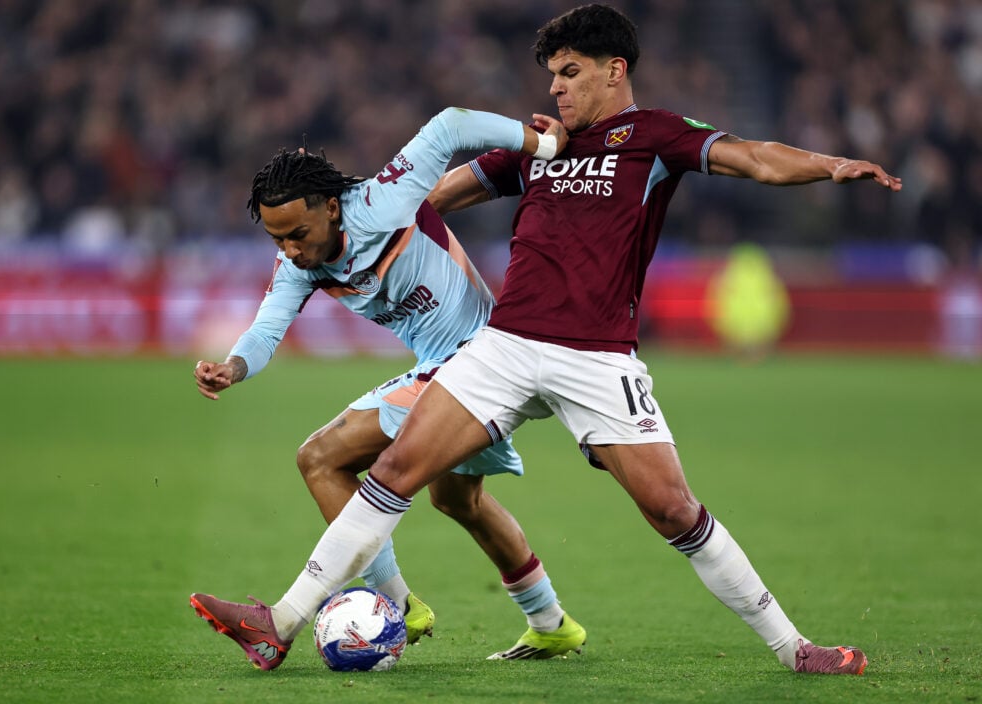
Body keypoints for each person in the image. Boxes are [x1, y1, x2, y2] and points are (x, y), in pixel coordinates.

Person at [195, 4, 903, 675]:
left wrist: (828, 165)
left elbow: (752, 157)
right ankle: (279, 623)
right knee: (395, 474)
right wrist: (381, 221)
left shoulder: (653, 137)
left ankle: (794, 647)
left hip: (595, 356)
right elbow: (443, 191)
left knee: (671, 510)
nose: (555, 88)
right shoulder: (539, 150)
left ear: (613, 69)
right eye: (551, 75)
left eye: (569, 72)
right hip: (502, 347)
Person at [189, 106, 586, 671]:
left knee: (321, 458)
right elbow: (267, 327)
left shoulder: (382, 200)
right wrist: (234, 366)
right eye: (279, 240)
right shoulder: (299, 266)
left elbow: (450, 125)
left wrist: (541, 147)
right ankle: (551, 624)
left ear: (331, 207)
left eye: (299, 234)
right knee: (457, 499)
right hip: (457, 368)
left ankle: (379, 607)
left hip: (482, 360)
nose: (292, 251)